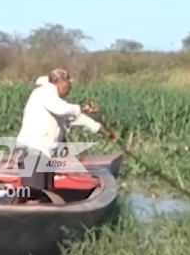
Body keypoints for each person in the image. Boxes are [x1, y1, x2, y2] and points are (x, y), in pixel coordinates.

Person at [15, 68, 115, 201]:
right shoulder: (43, 93)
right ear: (60, 82)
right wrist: (81, 108)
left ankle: (44, 218)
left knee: (45, 193)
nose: (70, 88)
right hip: (32, 151)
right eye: (69, 84)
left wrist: (104, 131)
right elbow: (61, 109)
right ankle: (27, 218)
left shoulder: (55, 99)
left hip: (44, 154)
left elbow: (78, 118)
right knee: (34, 195)